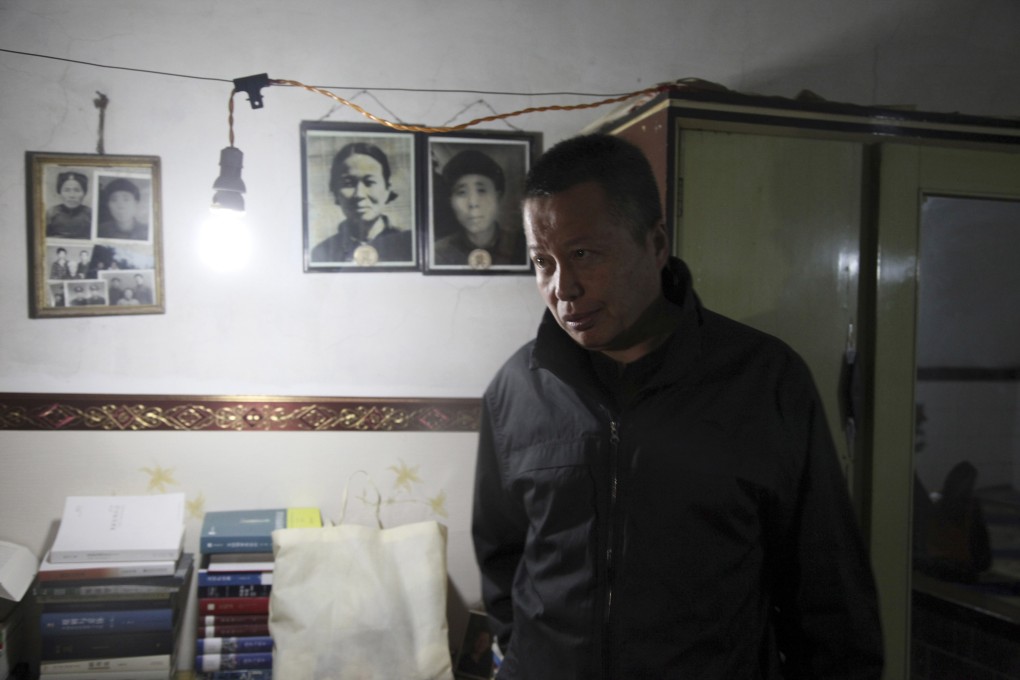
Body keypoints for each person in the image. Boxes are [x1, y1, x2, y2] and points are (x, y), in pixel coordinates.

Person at [472, 134, 884, 679]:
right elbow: (504, 565)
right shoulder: (515, 391)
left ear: (656, 242)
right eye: (542, 262)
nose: (562, 288)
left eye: (584, 255)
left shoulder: (764, 381)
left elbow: (830, 596)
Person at [310, 142, 412, 264]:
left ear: (387, 189)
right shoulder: (322, 253)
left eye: (369, 182)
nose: (359, 194)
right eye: (348, 183)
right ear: (335, 192)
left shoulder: (409, 247)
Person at [433, 149, 525, 268]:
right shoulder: (439, 254)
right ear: (450, 200)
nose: (473, 203)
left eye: (481, 190)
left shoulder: (522, 247)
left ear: (498, 195)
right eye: (462, 192)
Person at [45, 171, 92, 239]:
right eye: (66, 190)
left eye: (77, 190)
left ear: (84, 193)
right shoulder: (51, 213)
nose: (71, 195)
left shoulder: (90, 214)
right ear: (59, 192)